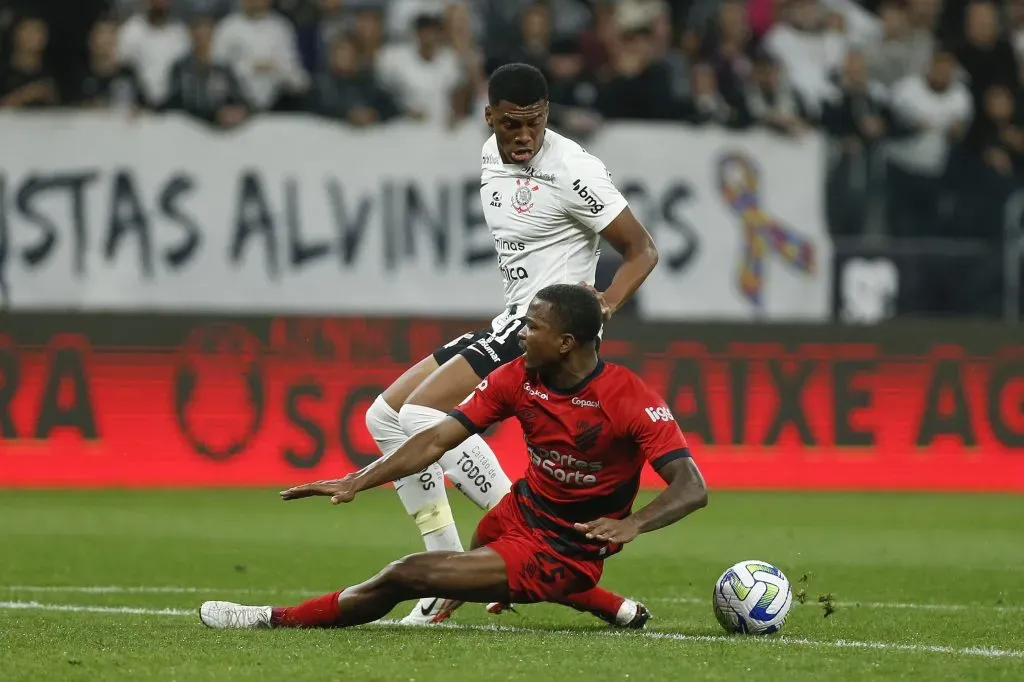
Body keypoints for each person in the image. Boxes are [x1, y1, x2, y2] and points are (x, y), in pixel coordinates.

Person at [199, 284, 708, 631]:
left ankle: (272, 618)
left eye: (532, 327)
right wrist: (359, 479)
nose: (521, 335)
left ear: (567, 342)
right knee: (474, 556)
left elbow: (691, 487)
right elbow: (435, 440)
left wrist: (634, 524)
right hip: (519, 513)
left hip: (564, 550)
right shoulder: (518, 378)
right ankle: (613, 608)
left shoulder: (628, 397)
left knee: (408, 573)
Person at [360, 62, 660, 625]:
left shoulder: (574, 170)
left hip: (544, 329)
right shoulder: (487, 155)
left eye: (534, 124)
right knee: (385, 416)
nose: (523, 137)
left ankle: (510, 532)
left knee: (422, 413)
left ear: (547, 116)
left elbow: (642, 248)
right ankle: (445, 564)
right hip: (511, 318)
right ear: (489, 118)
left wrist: (609, 301)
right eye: (509, 125)